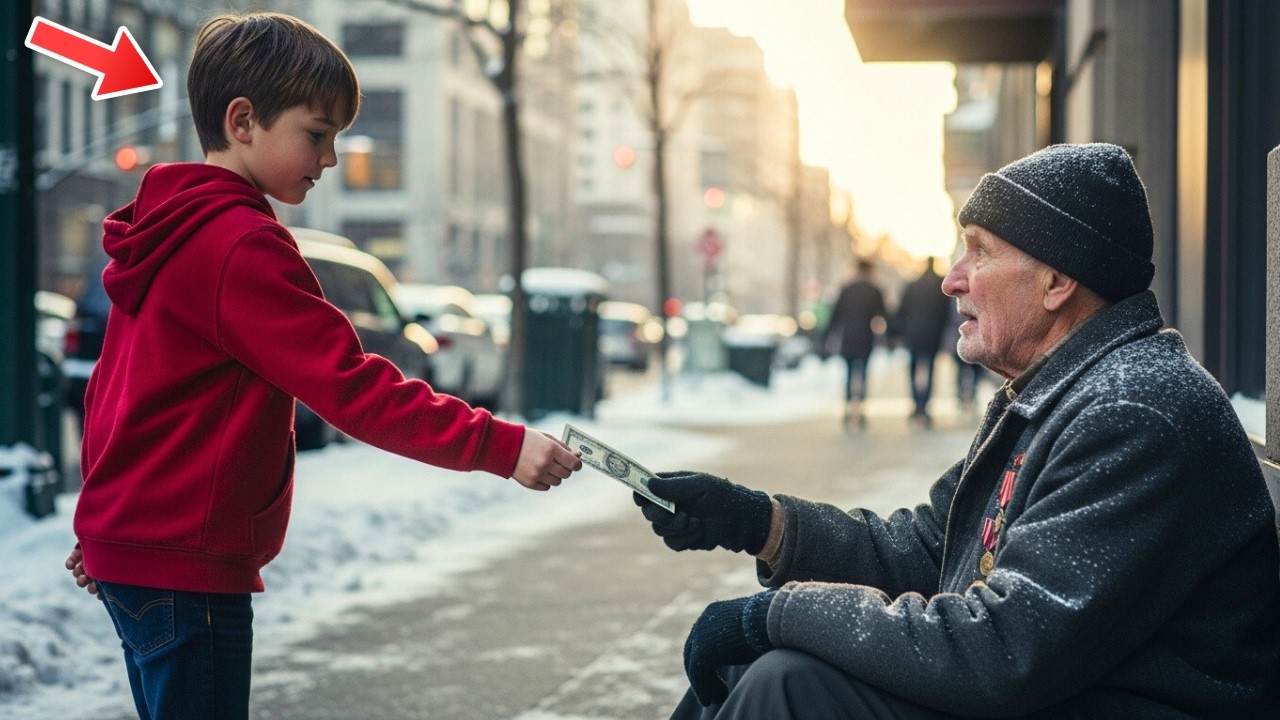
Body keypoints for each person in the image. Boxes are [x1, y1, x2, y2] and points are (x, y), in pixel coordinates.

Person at [634, 143, 1280, 718]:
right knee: (766, 665)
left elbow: (1003, 649)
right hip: (1070, 691)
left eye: (979, 251)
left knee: (791, 683)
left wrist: (774, 614)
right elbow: (929, 551)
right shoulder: (1063, 394)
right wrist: (760, 522)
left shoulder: (1133, 413)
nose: (951, 279)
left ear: (1057, 280)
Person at [62, 13, 581, 720]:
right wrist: (501, 445)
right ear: (242, 120)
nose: (331, 156)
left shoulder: (165, 231)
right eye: (317, 133)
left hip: (142, 555)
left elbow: (113, 391)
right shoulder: (241, 246)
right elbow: (354, 388)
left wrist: (104, 525)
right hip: (188, 569)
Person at [820, 258, 888, 428]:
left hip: (847, 338)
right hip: (865, 339)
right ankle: (861, 411)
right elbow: (883, 315)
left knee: (849, 375)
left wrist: (826, 337)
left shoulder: (846, 289)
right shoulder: (874, 290)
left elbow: (835, 316)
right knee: (863, 375)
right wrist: (891, 336)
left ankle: (847, 410)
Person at [893, 256, 951, 426]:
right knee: (931, 369)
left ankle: (916, 404)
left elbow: (901, 311)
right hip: (933, 335)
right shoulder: (941, 286)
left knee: (913, 368)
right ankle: (925, 406)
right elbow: (946, 313)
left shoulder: (912, 285)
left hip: (913, 335)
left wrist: (900, 333)